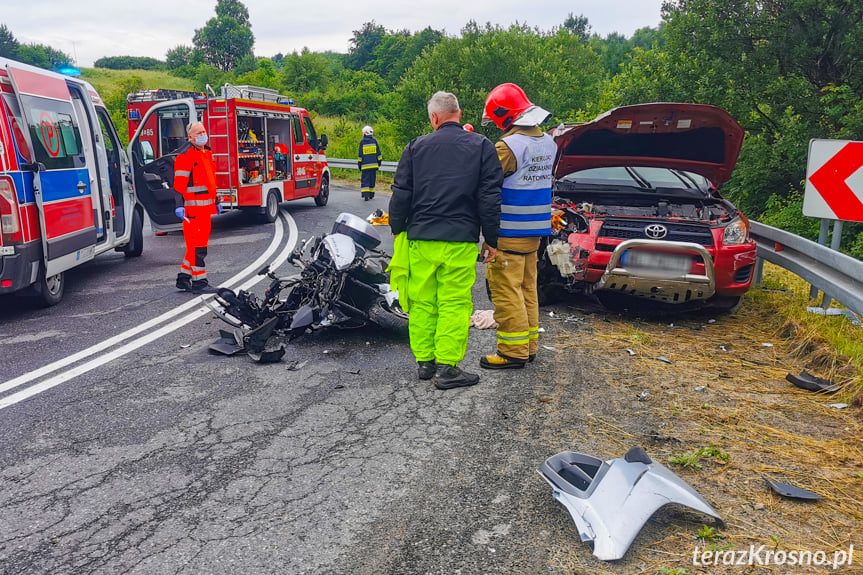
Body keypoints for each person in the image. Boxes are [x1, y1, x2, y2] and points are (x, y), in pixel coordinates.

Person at [389, 91, 502, 390]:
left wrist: (397, 227)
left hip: (421, 238)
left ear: (434, 118)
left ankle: (425, 362)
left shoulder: (416, 146)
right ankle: (448, 368)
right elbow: (489, 197)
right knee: (454, 302)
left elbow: (401, 191)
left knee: (423, 301)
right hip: (460, 239)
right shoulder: (482, 146)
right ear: (459, 114)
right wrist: (491, 239)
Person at [479, 83, 557, 369]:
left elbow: (486, 182)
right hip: (534, 232)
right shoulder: (548, 141)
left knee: (506, 292)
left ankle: (512, 352)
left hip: (509, 233)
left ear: (503, 115)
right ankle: (528, 346)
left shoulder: (507, 146)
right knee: (527, 290)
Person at [173, 121, 221, 294]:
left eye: (203, 131)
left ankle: (184, 278)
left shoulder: (206, 152)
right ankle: (200, 282)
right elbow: (179, 185)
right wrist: (179, 206)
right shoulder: (185, 155)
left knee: (195, 245)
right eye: (198, 133)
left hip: (205, 209)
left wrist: (216, 200)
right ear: (190, 137)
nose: (202, 135)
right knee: (198, 247)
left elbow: (210, 181)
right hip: (192, 211)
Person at [358, 125, 382, 200]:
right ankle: (371, 194)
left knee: (365, 180)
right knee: (372, 180)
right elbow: (379, 154)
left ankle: (365, 195)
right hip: (374, 166)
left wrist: (359, 165)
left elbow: (360, 155)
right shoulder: (374, 141)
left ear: (365, 133)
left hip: (365, 166)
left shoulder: (362, 142)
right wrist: (379, 163)